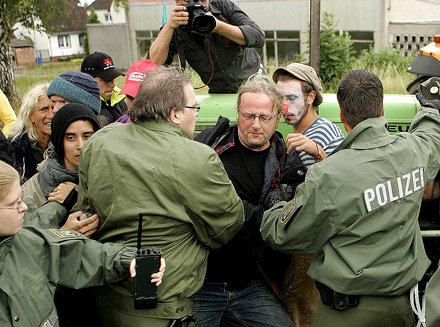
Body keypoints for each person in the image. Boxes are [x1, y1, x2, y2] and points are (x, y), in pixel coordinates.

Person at [261, 70, 440, 327]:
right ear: (382, 110)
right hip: (401, 310)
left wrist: (276, 204)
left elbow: (282, 234)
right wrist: (431, 109)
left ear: (342, 116)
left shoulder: (329, 174)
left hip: (345, 313)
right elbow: (431, 136)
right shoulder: (413, 151)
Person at [78, 66, 244, 326]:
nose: (196, 116)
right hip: (161, 307)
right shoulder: (197, 157)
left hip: (105, 295)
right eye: (194, 108)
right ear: (175, 114)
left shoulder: (99, 141)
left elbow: (87, 212)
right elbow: (227, 226)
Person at [192, 74, 306, 327]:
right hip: (201, 281)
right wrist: (262, 217)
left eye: (264, 117)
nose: (255, 125)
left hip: (251, 283)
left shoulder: (287, 161)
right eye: (248, 116)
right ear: (238, 113)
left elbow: (294, 219)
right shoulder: (209, 145)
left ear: (278, 117)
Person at [0, 160, 165, 327]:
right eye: (13, 204)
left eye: (20, 199)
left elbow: (74, 254)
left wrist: (131, 259)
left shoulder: (22, 243)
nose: (24, 208)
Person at [272, 63, 345, 326]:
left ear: (311, 97)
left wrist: (319, 153)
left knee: (299, 304)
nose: (283, 106)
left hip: (313, 243)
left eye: (291, 98)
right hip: (302, 236)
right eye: (279, 98)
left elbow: (344, 189)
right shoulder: (298, 131)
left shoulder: (323, 133)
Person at [148, 0, 265, 94]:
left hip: (255, 83)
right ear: (178, 2)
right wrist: (169, 26)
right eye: (190, 1)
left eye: (202, 0)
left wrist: (218, 26)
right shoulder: (175, 27)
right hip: (219, 93)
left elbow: (258, 37)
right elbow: (153, 65)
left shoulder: (223, 8)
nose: (197, 5)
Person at [22, 104, 100, 217]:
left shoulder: (109, 174)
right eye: (71, 138)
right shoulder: (35, 188)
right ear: (59, 143)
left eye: (87, 136)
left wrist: (75, 199)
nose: (81, 145)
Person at [9, 83, 54, 182]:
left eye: (54, 108)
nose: (51, 115)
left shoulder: (65, 142)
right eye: (44, 109)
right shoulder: (16, 148)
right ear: (31, 116)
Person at [81, 51, 128, 122]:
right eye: (106, 80)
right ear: (88, 79)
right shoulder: (83, 110)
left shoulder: (119, 100)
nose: (113, 85)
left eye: (113, 79)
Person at [116, 59, 158, 123]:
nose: (134, 105)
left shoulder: (174, 126)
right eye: (130, 97)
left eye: (141, 99)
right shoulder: (120, 124)